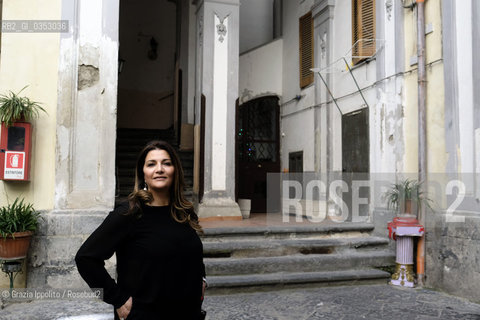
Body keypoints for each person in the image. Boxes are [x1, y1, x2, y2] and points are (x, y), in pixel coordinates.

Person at [75, 140, 207, 320]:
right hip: (145, 315)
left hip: (188, 314)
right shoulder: (129, 213)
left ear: (175, 171)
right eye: (151, 164)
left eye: (166, 163)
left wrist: (202, 279)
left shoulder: (184, 212)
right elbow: (86, 258)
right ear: (143, 174)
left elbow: (191, 252)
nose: (159, 169)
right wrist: (118, 299)